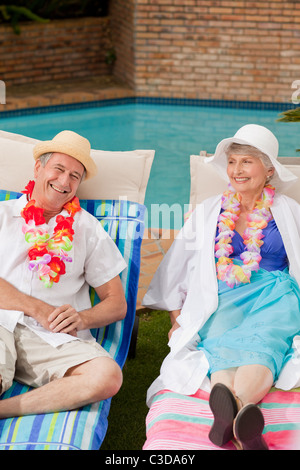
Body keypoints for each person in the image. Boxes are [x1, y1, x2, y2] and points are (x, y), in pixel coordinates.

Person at [143, 124, 300, 450]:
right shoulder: (209, 211)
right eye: (232, 162)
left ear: (269, 169)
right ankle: (241, 423)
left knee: (264, 341)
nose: (236, 170)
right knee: (219, 347)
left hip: (275, 294)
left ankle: (235, 410)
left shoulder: (290, 211)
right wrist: (176, 320)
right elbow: (176, 269)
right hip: (221, 294)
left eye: (247, 161)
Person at [0, 130, 127, 418]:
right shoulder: (2, 215)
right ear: (38, 168)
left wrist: (83, 318)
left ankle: (4, 410)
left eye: (75, 176)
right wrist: (39, 309)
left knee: (106, 376)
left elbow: (116, 303)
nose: (64, 181)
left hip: (51, 337)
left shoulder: (87, 228)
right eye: (58, 169)